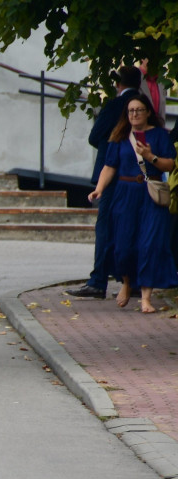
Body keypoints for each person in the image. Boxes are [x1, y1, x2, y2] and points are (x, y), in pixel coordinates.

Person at [88, 92, 178, 313]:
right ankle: (127, 284)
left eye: (139, 110)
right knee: (124, 246)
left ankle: (146, 298)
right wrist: (98, 189)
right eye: (131, 111)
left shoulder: (159, 136)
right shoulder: (119, 136)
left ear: (148, 112)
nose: (135, 114)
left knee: (149, 245)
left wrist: (151, 157)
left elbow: (170, 165)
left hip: (151, 194)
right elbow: (109, 166)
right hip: (125, 194)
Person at [67, 65, 142, 300]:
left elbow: (94, 136)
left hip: (111, 175)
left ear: (119, 84)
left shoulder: (114, 105)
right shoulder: (143, 106)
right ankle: (132, 282)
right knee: (133, 227)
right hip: (138, 176)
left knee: (106, 227)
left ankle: (98, 281)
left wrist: (113, 149)